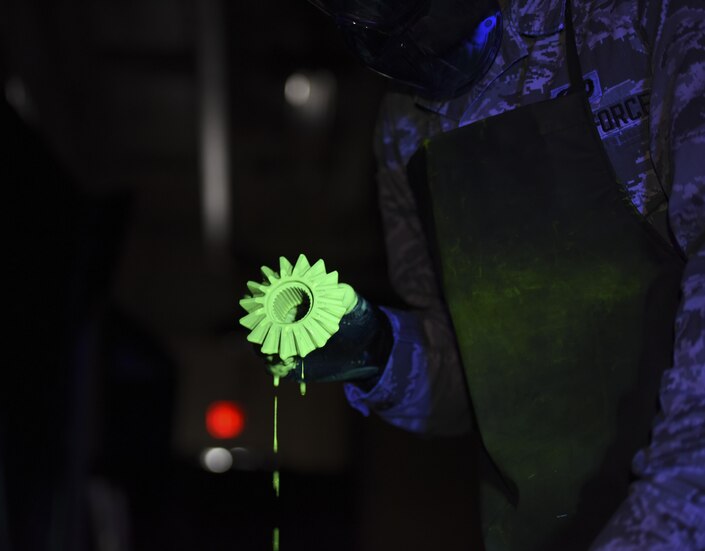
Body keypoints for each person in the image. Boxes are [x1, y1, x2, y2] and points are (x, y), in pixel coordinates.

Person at [265, 0, 705, 548]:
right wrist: (374, 346)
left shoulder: (640, 23)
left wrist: (662, 522)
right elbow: (478, 382)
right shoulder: (405, 123)